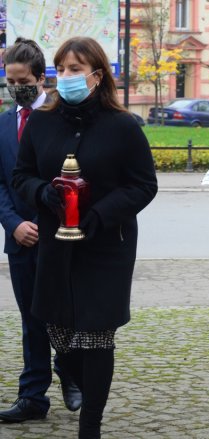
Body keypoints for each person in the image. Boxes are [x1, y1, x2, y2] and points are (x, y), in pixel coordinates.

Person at [12, 36, 157, 438]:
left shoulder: (124, 126)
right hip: (55, 246)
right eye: (63, 69)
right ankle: (71, 376)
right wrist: (43, 193)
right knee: (60, 333)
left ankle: (89, 424)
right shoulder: (42, 122)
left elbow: (144, 185)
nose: (67, 77)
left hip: (106, 247)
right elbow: (21, 175)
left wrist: (100, 214)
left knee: (95, 335)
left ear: (97, 74)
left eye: (76, 69)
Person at [0, 37, 82, 423]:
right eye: (8, 80)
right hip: (20, 241)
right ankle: (32, 396)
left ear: (39, 77)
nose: (15, 87)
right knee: (31, 320)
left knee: (63, 313)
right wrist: (14, 225)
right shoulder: (3, 124)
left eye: (21, 80)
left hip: (59, 237)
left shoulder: (60, 116)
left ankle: (70, 372)